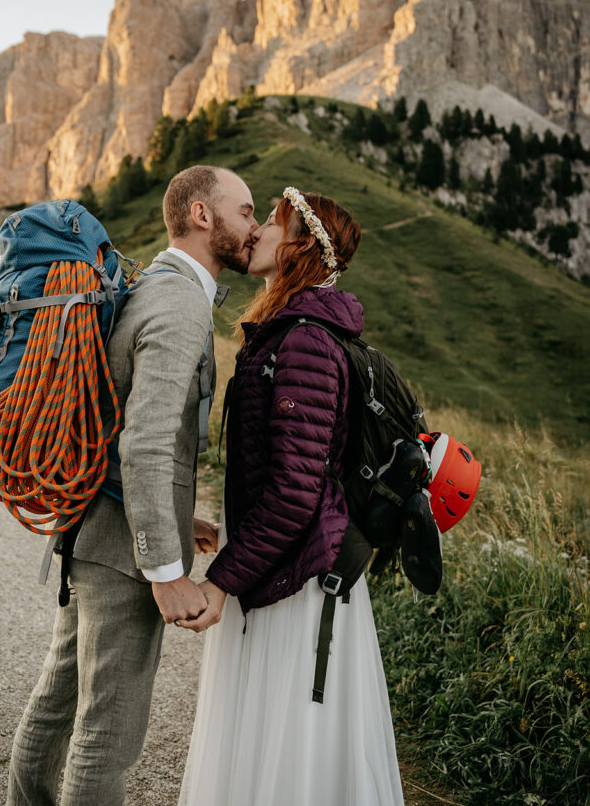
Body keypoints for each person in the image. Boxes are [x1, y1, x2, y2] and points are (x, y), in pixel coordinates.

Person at [6, 165, 258, 806]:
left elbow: (139, 426)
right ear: (203, 215)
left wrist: (182, 517)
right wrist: (166, 568)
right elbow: (143, 443)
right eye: (247, 211)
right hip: (121, 557)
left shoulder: (155, 286)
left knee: (57, 698)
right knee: (106, 738)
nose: (254, 227)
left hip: (86, 529)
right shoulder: (179, 302)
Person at [178, 187, 405, 806]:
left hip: (298, 585)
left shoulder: (305, 339)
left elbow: (295, 496)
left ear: (301, 244)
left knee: (286, 755)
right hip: (287, 568)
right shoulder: (293, 326)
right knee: (276, 752)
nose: (253, 234)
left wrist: (221, 581)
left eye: (268, 224)